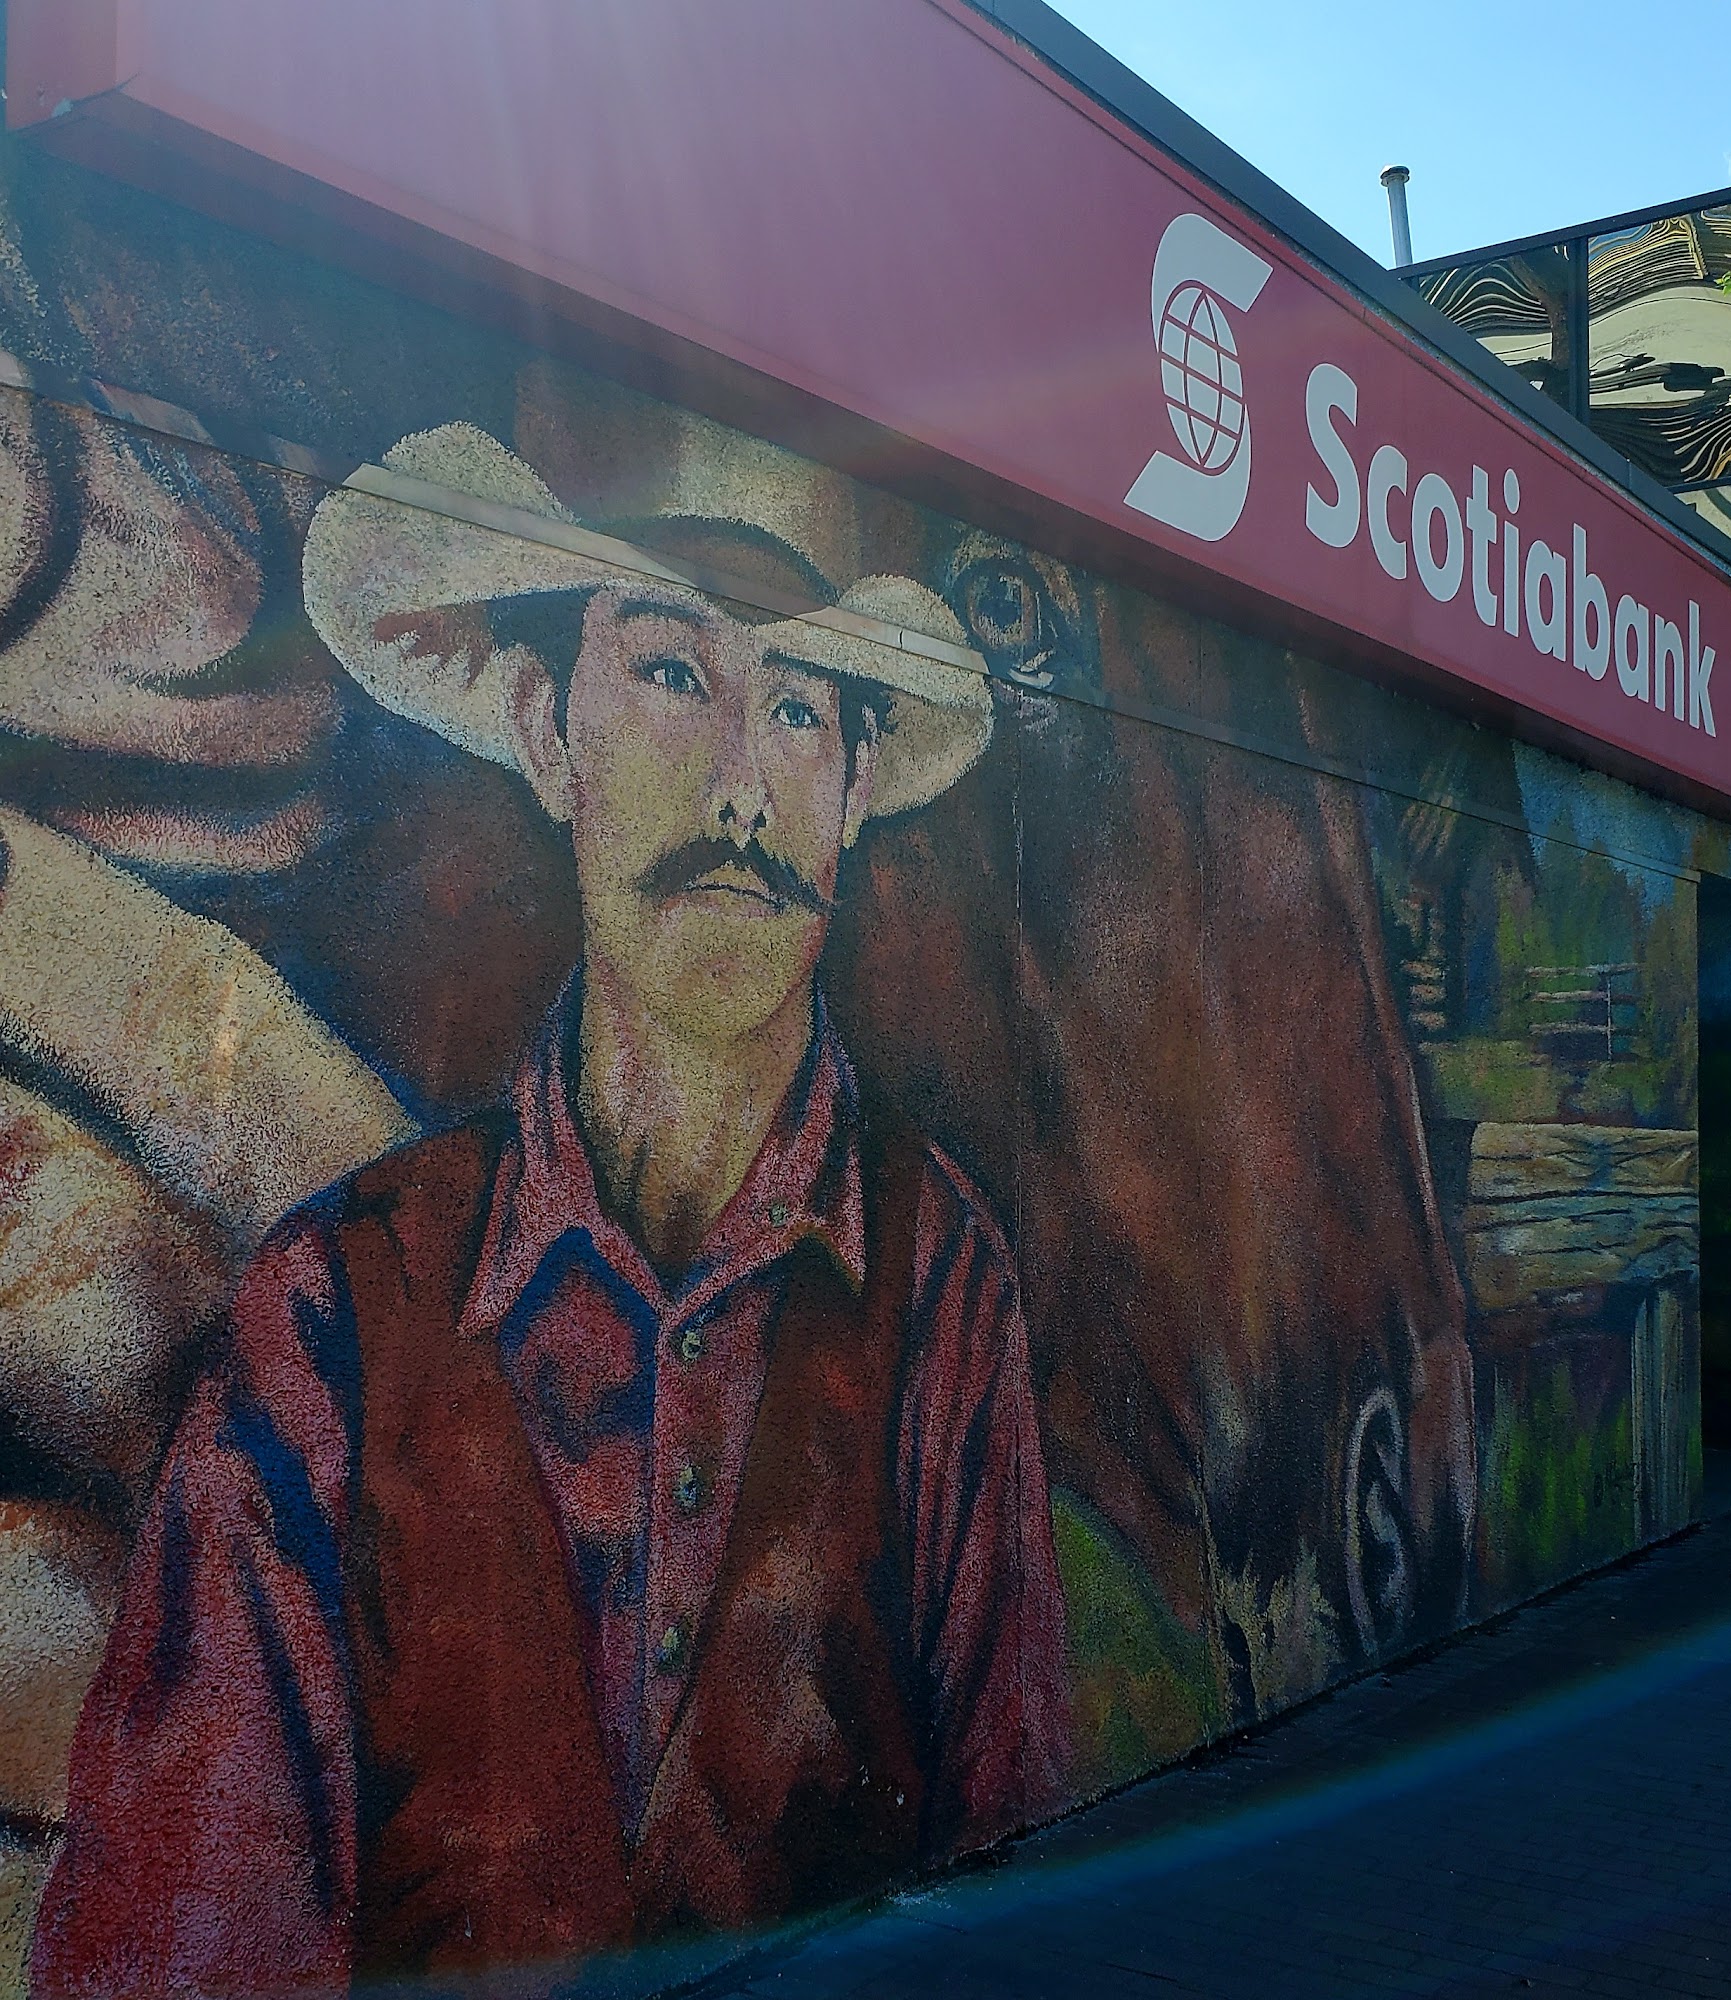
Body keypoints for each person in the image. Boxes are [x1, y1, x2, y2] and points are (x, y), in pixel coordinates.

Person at [33, 414, 1069, 1993]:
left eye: (798, 707)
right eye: (672, 674)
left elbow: (1021, 1865)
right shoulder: (332, 1312)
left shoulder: (937, 1280)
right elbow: (181, 1929)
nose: (741, 788)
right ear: (545, 728)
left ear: (855, 787)